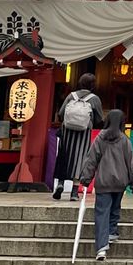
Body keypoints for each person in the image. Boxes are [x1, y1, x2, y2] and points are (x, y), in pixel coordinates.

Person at [77, 109, 133, 262]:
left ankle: (101, 248)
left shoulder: (100, 139)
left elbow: (91, 160)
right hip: (120, 182)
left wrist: (85, 178)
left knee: (101, 213)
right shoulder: (125, 140)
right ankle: (112, 232)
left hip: (103, 181)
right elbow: (131, 163)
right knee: (115, 208)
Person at [52, 73, 103, 201]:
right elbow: (99, 118)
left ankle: (60, 184)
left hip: (67, 131)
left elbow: (61, 112)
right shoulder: (94, 99)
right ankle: (74, 192)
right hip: (83, 133)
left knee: (64, 157)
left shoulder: (71, 96)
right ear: (92, 85)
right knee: (79, 159)